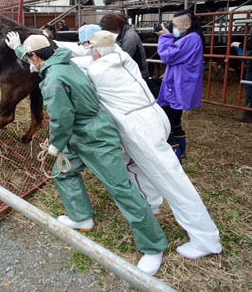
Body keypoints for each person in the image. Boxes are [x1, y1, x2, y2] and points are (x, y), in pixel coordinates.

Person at [5, 32, 167, 276]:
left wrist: (55, 145)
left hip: (94, 137)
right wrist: (18, 47)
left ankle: (154, 246)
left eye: (29, 57)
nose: (29, 63)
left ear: (36, 56)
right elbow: (39, 55)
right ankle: (80, 217)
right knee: (62, 171)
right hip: (80, 133)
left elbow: (61, 118)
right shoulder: (62, 60)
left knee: (121, 188)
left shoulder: (53, 81)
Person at [73, 30, 222, 259]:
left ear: (94, 50)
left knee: (173, 182)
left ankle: (206, 239)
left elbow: (71, 59)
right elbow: (82, 54)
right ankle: (151, 205)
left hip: (140, 128)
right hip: (155, 116)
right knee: (136, 167)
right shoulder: (123, 57)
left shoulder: (95, 70)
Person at [155, 10, 204, 160]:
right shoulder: (190, 37)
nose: (172, 28)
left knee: (167, 120)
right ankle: (181, 151)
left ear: (187, 25)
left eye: (174, 25)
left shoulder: (191, 39)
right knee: (175, 120)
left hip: (179, 86)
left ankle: (174, 155)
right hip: (177, 83)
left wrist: (164, 36)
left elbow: (167, 55)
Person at [99, 13, 150, 78]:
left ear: (117, 28)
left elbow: (122, 60)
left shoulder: (129, 38)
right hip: (128, 72)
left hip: (137, 75)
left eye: (109, 32)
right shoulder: (120, 34)